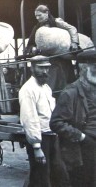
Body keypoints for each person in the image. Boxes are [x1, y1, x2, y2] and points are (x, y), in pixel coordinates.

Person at [19, 55, 70, 187]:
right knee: (41, 178)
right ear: (32, 68)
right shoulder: (28, 89)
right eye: (41, 68)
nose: (45, 71)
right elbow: (29, 119)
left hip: (52, 136)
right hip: (40, 139)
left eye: (47, 68)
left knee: (59, 174)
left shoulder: (46, 88)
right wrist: (36, 147)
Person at [50, 50, 96, 187]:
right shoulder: (70, 92)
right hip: (83, 148)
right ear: (83, 68)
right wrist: (81, 136)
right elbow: (56, 122)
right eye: (95, 68)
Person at [25, 4, 79, 98]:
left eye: (39, 15)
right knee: (50, 86)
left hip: (63, 59)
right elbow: (30, 44)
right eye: (36, 16)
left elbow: (72, 29)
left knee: (67, 85)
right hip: (48, 61)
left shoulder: (57, 22)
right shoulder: (37, 28)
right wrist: (33, 49)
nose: (37, 18)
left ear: (46, 13)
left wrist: (74, 43)